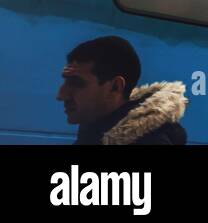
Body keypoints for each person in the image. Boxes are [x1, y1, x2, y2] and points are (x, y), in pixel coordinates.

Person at [57, 36, 188, 145]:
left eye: (76, 83)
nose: (60, 95)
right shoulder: (92, 135)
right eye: (66, 81)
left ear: (115, 87)